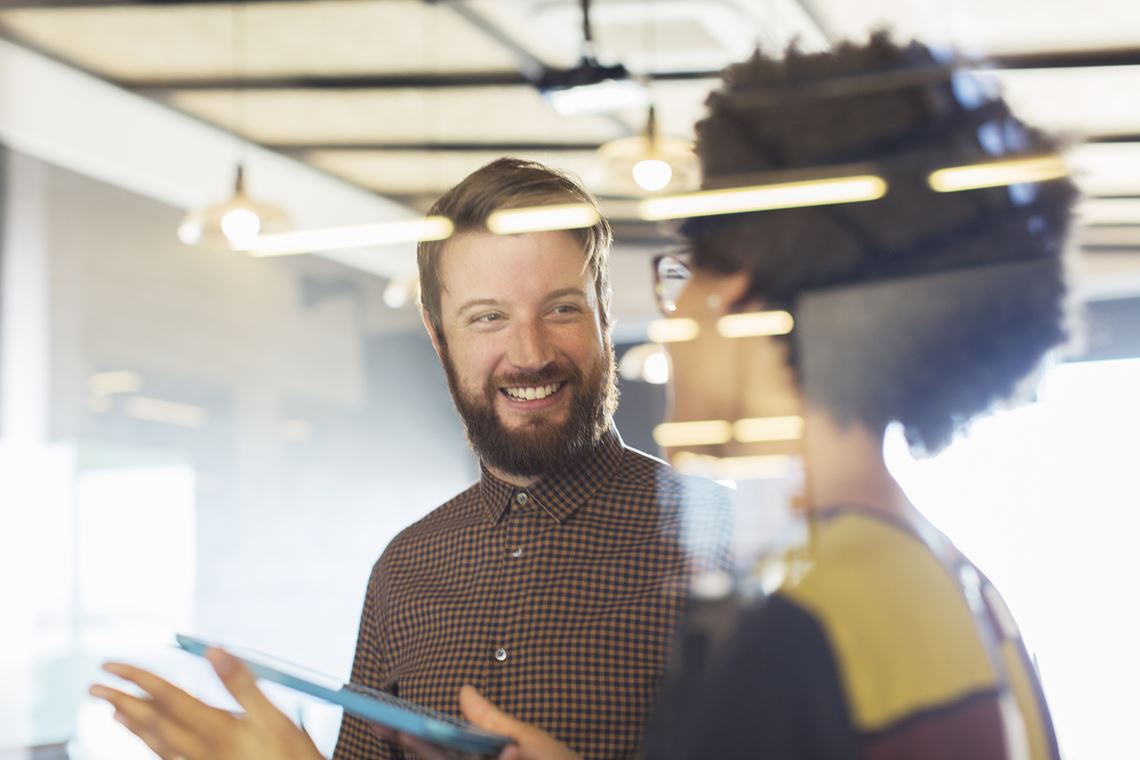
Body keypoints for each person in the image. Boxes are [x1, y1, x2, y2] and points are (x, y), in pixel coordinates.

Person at [399, 33, 1076, 760]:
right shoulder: (952, 583)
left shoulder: (792, 622)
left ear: (742, 297)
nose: (674, 316)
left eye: (685, 275)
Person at [90, 158, 728, 760]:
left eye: (561, 309)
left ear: (605, 312)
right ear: (437, 333)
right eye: (488, 317)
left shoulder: (725, 544)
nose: (530, 353)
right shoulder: (404, 570)